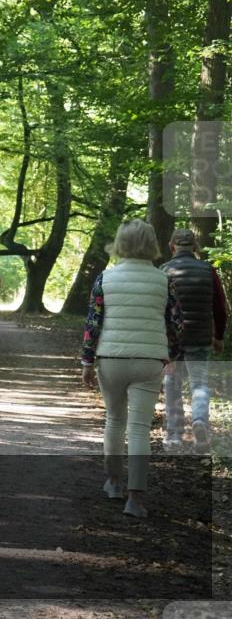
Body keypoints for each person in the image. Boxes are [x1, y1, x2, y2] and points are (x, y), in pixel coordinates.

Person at [81, 219, 183, 518]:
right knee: (139, 429)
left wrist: (87, 361)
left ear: (120, 243)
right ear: (151, 244)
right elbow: (176, 324)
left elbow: (93, 323)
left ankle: (113, 483)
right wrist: (171, 356)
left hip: (110, 358)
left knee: (114, 420)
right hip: (149, 360)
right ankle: (135, 500)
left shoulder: (105, 278)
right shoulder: (164, 280)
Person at [160, 228, 227, 453]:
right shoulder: (208, 270)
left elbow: (159, 308)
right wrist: (218, 337)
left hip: (172, 340)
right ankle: (199, 422)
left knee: (172, 384)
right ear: (195, 247)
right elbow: (219, 307)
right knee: (199, 383)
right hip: (200, 337)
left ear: (172, 246)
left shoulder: (164, 270)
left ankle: (174, 435)